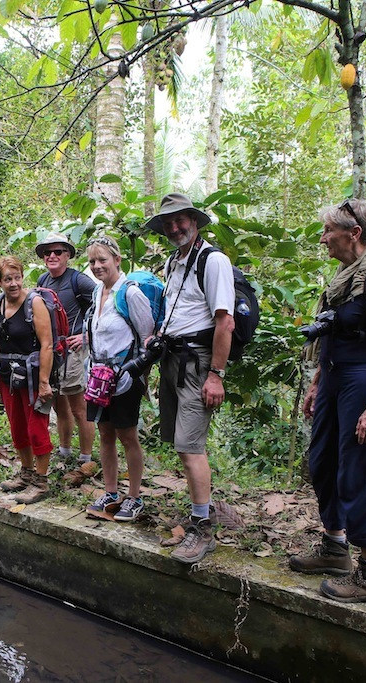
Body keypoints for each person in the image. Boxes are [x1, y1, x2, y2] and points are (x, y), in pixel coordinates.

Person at [289, 199, 366, 605]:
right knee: (323, 461)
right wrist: (317, 383)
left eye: (328, 230)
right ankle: (334, 548)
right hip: (335, 376)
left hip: (364, 380)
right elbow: (337, 335)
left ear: (354, 233)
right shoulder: (347, 276)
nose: (323, 238)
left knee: (358, 469)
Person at [145, 194, 235, 564]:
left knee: (190, 444)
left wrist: (216, 374)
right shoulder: (174, 260)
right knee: (180, 443)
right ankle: (199, 513)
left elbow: (224, 321)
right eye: (167, 223)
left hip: (198, 362)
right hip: (174, 357)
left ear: (195, 221)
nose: (174, 228)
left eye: (180, 220)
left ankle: (203, 530)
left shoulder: (213, 260)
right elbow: (179, 308)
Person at [82, 237, 155, 522]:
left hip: (124, 377)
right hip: (98, 376)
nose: (98, 266)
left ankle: (134, 497)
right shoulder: (97, 292)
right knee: (104, 432)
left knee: (127, 435)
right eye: (92, 261)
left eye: (103, 260)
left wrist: (137, 373)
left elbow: (147, 337)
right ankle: (111, 492)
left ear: (117, 260)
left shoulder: (130, 293)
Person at [0, 256, 55, 504]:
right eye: (8, 279)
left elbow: (47, 344)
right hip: (8, 375)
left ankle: (41, 480)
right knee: (17, 425)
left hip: (32, 374)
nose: (14, 283)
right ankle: (26, 472)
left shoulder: (34, 303)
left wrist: (44, 382)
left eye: (17, 277)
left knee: (36, 426)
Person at [35, 232, 97, 466]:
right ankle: (64, 451)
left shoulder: (78, 280)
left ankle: (86, 457)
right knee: (59, 404)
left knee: (79, 406)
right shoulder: (43, 281)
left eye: (58, 252)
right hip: (52, 350)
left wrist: (87, 336)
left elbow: (104, 305)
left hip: (74, 349)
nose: (52, 256)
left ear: (68, 255)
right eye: (47, 252)